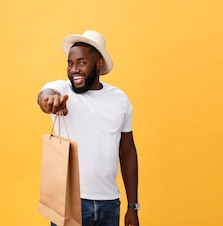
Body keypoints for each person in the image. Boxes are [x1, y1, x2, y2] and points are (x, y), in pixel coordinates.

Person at [37, 30, 139, 226]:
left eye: (82, 63)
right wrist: (49, 101)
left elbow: (127, 152)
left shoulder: (120, 99)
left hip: (110, 204)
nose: (74, 69)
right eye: (70, 63)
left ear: (99, 64)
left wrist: (132, 206)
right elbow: (45, 95)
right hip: (69, 203)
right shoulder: (62, 90)